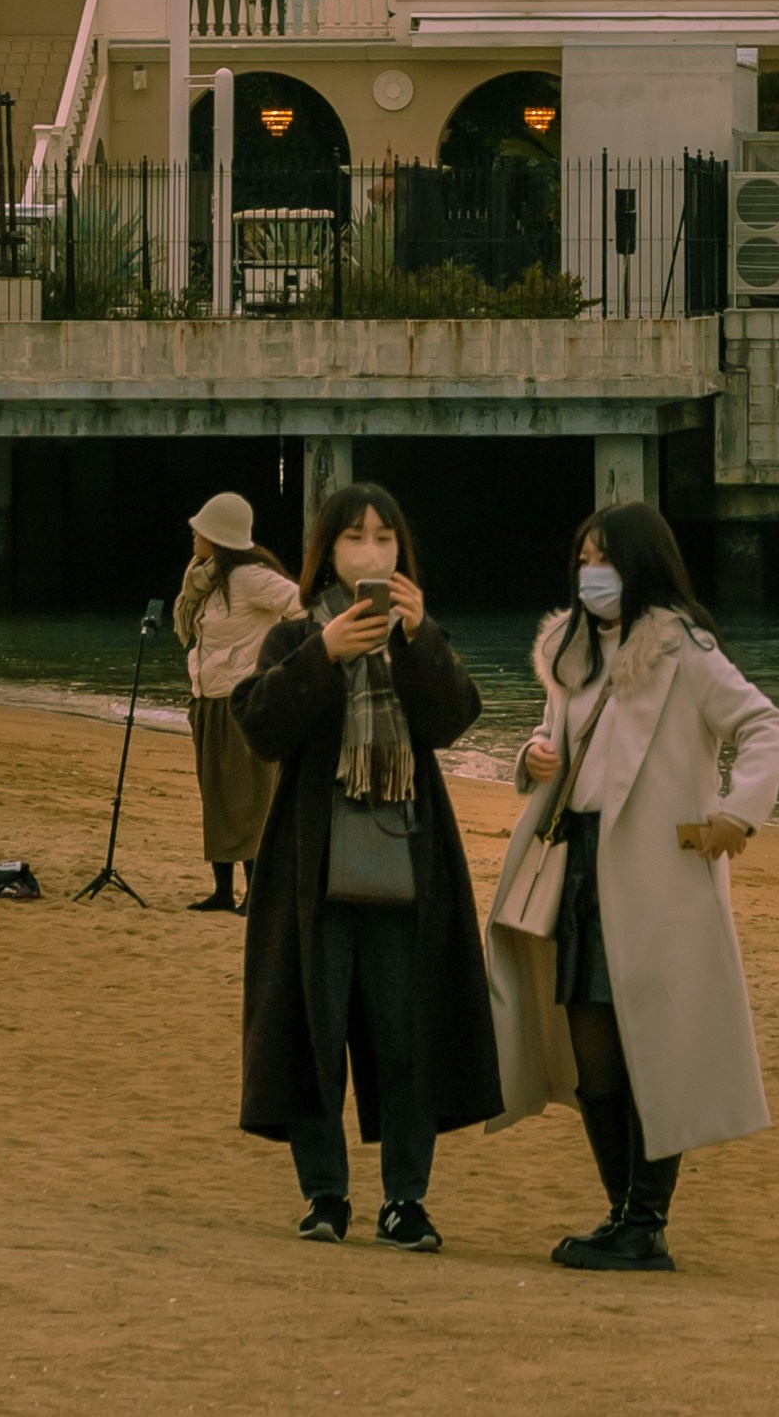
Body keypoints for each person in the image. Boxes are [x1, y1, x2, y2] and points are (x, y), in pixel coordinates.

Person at [490, 501, 779, 1273]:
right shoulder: (570, 647)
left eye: (607, 557)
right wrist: (532, 756)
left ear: (641, 564)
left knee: (655, 1044)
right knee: (593, 1055)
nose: (593, 571)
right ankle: (623, 1210)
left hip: (658, 876)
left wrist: (736, 816)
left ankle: (647, 1221)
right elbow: (554, 735)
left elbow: (767, 725)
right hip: (580, 866)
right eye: (585, 555)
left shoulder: (683, 651)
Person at [229, 480, 504, 1247]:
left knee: (406, 1033)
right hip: (313, 873)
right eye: (356, 538)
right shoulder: (295, 635)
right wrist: (323, 654)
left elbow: (454, 718)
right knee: (315, 1030)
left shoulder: (419, 633)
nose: (371, 552)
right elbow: (260, 724)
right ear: (328, 551)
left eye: (385, 539)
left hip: (407, 870)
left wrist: (418, 641)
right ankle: (326, 1195)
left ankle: (404, 1200)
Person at [174, 488, 303, 915]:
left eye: (201, 528)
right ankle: (222, 892)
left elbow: (303, 608)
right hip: (207, 702)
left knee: (250, 801)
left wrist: (275, 664)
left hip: (243, 702)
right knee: (217, 797)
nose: (193, 532)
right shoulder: (205, 578)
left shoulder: (250, 578)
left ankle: (256, 895)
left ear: (218, 535)